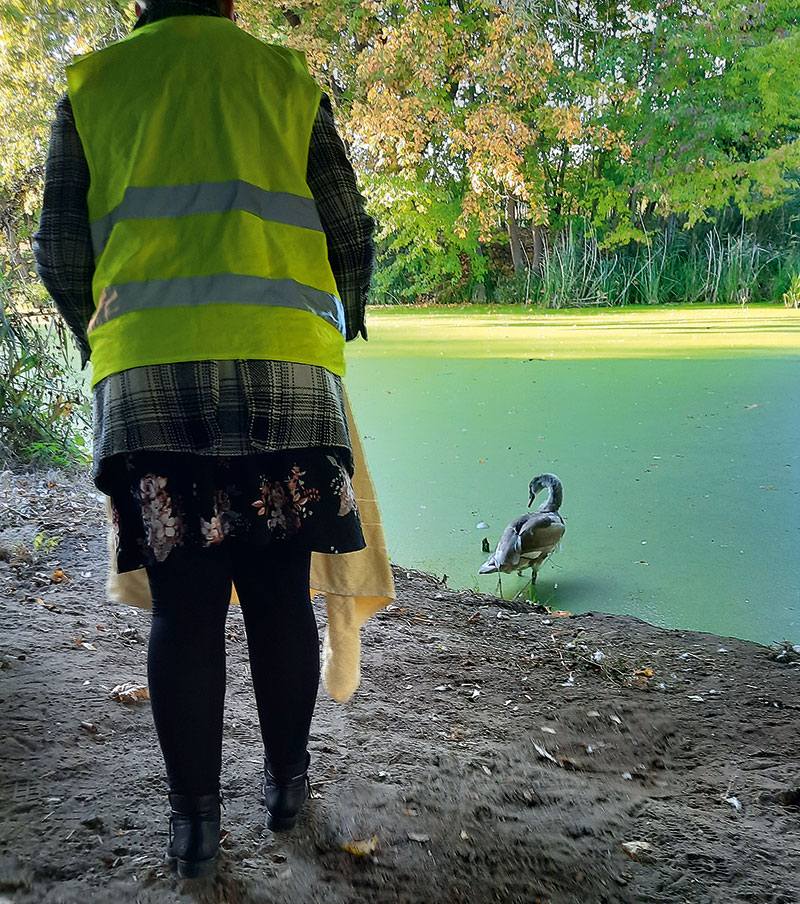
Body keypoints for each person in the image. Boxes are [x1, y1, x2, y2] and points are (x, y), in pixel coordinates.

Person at [34, 0, 375, 879]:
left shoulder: (94, 87)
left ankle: (195, 834)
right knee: (277, 597)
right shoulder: (286, 79)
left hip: (150, 383)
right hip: (287, 380)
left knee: (186, 611)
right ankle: (288, 786)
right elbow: (348, 227)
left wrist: (101, 341)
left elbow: (60, 252)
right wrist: (344, 322)